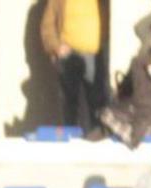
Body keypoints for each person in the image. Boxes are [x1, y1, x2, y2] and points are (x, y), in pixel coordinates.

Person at [100, 38, 151, 148]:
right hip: (131, 113)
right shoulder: (139, 73)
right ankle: (133, 134)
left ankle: (134, 135)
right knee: (106, 114)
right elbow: (136, 61)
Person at [40, 0, 106, 131]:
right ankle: (71, 136)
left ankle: (97, 135)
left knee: (96, 101)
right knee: (70, 102)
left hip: (93, 54)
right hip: (69, 54)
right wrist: (56, 47)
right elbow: (47, 24)